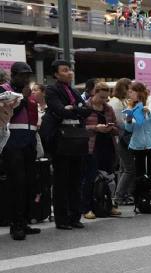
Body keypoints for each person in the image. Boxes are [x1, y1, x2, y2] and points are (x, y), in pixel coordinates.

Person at [40, 60, 92, 230]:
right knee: (61, 180)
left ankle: (75, 216)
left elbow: (87, 110)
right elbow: (59, 110)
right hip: (60, 139)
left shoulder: (74, 91)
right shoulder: (52, 89)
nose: (69, 72)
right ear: (56, 74)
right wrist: (74, 108)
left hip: (76, 138)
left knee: (76, 179)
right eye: (64, 70)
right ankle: (62, 219)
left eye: (69, 70)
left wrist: (74, 107)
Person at [0, 62, 41, 240]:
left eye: (28, 75)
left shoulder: (29, 93)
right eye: (22, 75)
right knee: (16, 183)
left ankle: (23, 221)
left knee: (29, 183)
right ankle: (15, 224)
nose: (26, 79)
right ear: (13, 75)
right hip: (11, 142)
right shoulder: (3, 90)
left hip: (29, 142)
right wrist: (23, 99)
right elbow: (8, 114)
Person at [81, 82, 121, 219]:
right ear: (94, 93)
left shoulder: (108, 108)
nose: (104, 100)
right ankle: (87, 208)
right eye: (101, 97)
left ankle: (108, 205)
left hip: (107, 145)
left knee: (109, 177)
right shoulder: (85, 107)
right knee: (90, 177)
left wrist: (111, 128)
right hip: (91, 146)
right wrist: (95, 128)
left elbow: (117, 128)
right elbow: (80, 129)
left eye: (106, 98)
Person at [124, 81, 151, 179]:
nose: (129, 94)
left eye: (131, 92)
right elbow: (129, 129)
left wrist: (150, 113)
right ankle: (141, 194)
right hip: (138, 145)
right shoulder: (131, 105)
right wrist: (129, 121)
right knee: (139, 175)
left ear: (138, 92)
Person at [109, 78, 135, 205]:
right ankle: (119, 196)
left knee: (124, 169)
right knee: (129, 169)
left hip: (123, 138)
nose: (130, 91)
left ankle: (123, 195)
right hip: (123, 138)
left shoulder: (122, 101)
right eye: (129, 88)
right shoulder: (117, 103)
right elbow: (120, 122)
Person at [31, 83, 47, 159]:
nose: (32, 92)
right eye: (32, 90)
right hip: (36, 138)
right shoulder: (31, 106)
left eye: (35, 90)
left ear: (43, 93)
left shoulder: (51, 106)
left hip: (48, 138)